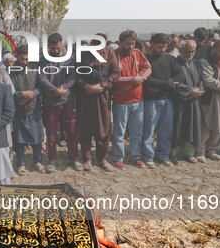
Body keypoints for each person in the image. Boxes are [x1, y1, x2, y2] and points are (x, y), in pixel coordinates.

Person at [74, 34, 120, 172]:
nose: (99, 52)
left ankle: (102, 159)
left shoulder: (110, 52)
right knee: (85, 127)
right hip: (86, 95)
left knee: (104, 127)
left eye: (101, 49)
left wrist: (102, 85)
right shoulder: (82, 54)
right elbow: (75, 74)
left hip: (103, 94)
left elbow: (116, 73)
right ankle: (87, 158)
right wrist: (86, 86)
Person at [37, 32, 81, 172]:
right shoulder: (42, 60)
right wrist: (55, 91)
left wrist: (63, 88)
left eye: (58, 48)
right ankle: (51, 160)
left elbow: (72, 76)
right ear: (48, 47)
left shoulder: (69, 58)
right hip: (50, 103)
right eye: (53, 48)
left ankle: (74, 159)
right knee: (51, 134)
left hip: (67, 101)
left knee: (72, 132)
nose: (56, 51)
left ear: (62, 45)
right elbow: (41, 77)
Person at [141, 33, 185, 168]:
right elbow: (147, 80)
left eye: (165, 47)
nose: (162, 50)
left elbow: (181, 75)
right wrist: (169, 84)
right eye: (160, 47)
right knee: (149, 131)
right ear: (152, 45)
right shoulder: (145, 60)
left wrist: (165, 86)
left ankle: (162, 155)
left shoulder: (170, 59)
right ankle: (148, 157)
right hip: (150, 101)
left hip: (167, 100)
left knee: (166, 131)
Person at [111, 30, 152, 169]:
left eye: (133, 44)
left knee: (137, 132)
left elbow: (147, 68)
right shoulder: (114, 56)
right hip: (121, 101)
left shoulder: (138, 54)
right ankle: (117, 157)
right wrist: (132, 80)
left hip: (138, 100)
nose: (130, 46)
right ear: (120, 42)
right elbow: (113, 78)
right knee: (119, 132)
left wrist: (134, 81)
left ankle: (136, 156)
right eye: (128, 44)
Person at [10, 45, 45, 175]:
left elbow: (41, 86)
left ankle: (38, 162)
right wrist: (21, 95)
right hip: (18, 109)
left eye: (26, 59)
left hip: (34, 108)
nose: (24, 62)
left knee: (37, 137)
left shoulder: (35, 68)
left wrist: (32, 94)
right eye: (21, 58)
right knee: (19, 139)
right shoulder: (10, 70)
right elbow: (9, 90)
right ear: (16, 55)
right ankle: (21, 164)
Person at [197, 39, 220, 161]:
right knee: (205, 126)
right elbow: (208, 80)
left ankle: (212, 150)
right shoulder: (205, 61)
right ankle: (200, 151)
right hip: (210, 98)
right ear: (213, 49)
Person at [170, 40, 205, 164]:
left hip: (194, 101)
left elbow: (201, 82)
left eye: (192, 51)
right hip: (179, 101)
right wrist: (189, 91)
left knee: (193, 126)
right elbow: (173, 82)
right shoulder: (174, 63)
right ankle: (173, 153)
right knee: (177, 126)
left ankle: (189, 153)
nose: (190, 54)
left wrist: (198, 92)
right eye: (187, 51)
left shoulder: (197, 63)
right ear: (180, 50)